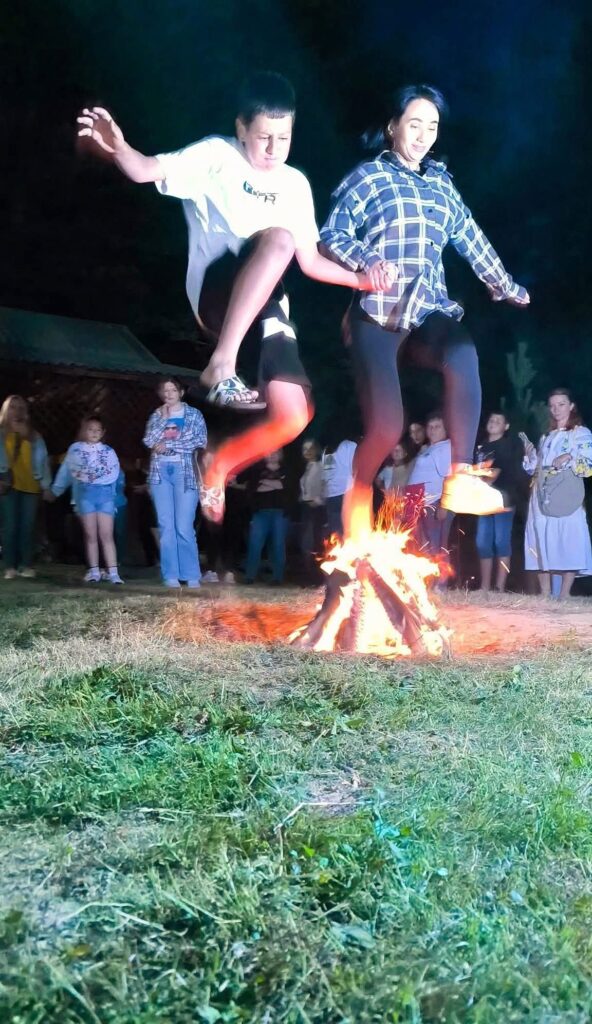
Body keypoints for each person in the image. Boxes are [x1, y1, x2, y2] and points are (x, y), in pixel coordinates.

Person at [77, 72, 377, 410]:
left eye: (283, 137)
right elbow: (144, 169)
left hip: (263, 307)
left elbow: (311, 262)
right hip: (215, 294)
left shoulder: (295, 184)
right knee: (280, 239)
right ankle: (220, 366)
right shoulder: (217, 155)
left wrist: (362, 281)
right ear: (241, 129)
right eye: (263, 137)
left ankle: (232, 429)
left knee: (292, 411)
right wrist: (120, 148)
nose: (273, 149)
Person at [320, 83, 530, 540]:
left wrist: (504, 284)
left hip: (425, 309)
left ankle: (459, 477)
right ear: (392, 126)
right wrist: (367, 261)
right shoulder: (368, 176)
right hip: (376, 315)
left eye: (431, 127)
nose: (422, 135)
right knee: (387, 427)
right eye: (414, 124)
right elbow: (332, 234)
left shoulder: (442, 185)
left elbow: (470, 237)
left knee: (462, 353)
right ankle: (358, 493)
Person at [522, 389, 592, 600]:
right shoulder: (546, 436)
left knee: (568, 537)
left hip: (565, 492)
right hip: (542, 493)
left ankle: (564, 593)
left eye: (561, 404)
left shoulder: (580, 433)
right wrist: (530, 457)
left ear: (571, 406)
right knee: (541, 537)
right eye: (552, 405)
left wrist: (569, 456)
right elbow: (534, 468)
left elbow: (587, 466)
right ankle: (545, 593)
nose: (556, 409)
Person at [143, 377, 207, 588]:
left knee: (184, 526)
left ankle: (191, 575)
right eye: (165, 390)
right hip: (160, 473)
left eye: (172, 390)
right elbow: (149, 440)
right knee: (165, 525)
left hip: (185, 472)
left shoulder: (193, 414)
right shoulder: (157, 414)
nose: (168, 394)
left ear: (181, 392)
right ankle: (170, 574)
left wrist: (169, 445)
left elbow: (199, 440)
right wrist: (163, 419)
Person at [49, 415, 123, 583]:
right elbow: (69, 470)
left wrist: (113, 498)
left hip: (105, 497)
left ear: (103, 432)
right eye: (90, 429)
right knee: (90, 535)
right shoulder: (76, 450)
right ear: (84, 431)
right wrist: (55, 490)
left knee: (106, 534)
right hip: (85, 496)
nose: (94, 433)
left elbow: (113, 474)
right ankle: (94, 571)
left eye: (98, 430)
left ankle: (113, 572)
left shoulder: (108, 452)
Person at [0, 395, 51, 578]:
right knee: (10, 526)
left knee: (27, 527)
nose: (17, 411)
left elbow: (44, 462)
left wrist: (46, 486)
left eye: (21, 408)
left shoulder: (35, 436)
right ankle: (10, 566)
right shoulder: (1, 434)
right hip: (8, 486)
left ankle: (26, 564)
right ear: (5, 411)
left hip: (30, 486)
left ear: (26, 413)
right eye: (13, 407)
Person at [474, 411, 525, 592]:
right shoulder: (481, 447)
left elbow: (493, 473)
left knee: (501, 541)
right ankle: (485, 586)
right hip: (484, 501)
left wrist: (476, 481)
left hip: (503, 500)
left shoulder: (506, 445)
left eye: (498, 420)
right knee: (483, 542)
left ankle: (499, 587)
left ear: (506, 426)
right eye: (491, 419)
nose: (493, 422)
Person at [407, 415, 453, 568]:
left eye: (437, 426)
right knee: (425, 544)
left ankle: (441, 579)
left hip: (434, 502)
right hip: (421, 501)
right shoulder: (432, 447)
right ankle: (430, 578)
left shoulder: (445, 448)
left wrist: (443, 505)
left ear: (446, 429)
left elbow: (449, 477)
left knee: (436, 546)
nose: (433, 430)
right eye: (430, 427)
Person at [244, 450, 288, 585]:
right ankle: (250, 576)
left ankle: (277, 577)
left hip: (280, 512)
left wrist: (264, 482)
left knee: (278, 544)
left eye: (275, 452)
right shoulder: (257, 470)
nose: (272, 455)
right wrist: (276, 484)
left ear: (280, 454)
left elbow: (286, 487)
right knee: (255, 544)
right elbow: (253, 489)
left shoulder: (286, 470)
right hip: (260, 512)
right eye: (269, 452)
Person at [299, 438, 326, 581]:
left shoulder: (321, 466)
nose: (307, 452)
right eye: (305, 449)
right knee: (306, 542)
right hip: (306, 508)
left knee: (313, 542)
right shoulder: (307, 467)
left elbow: (326, 485)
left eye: (310, 448)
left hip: (317, 509)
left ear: (316, 450)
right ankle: (309, 575)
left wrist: (319, 500)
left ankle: (316, 577)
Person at [322, 438, 357, 539]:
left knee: (336, 533)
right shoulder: (350, 445)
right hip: (347, 492)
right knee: (350, 529)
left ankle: (338, 547)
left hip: (331, 495)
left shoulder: (328, 449)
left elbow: (328, 474)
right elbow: (354, 468)